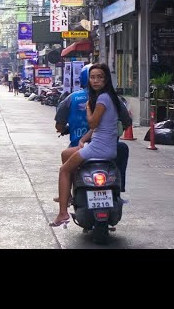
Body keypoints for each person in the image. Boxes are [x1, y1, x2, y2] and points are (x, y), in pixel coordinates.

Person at [50, 63, 125, 227]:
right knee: (65, 154)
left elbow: (92, 123)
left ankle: (62, 213)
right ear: (88, 79)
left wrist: (89, 108)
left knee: (64, 170)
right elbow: (101, 127)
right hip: (105, 146)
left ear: (106, 80)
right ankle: (68, 195)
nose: (96, 80)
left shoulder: (102, 98)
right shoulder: (111, 97)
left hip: (98, 148)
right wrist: (83, 140)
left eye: (100, 77)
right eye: (93, 77)